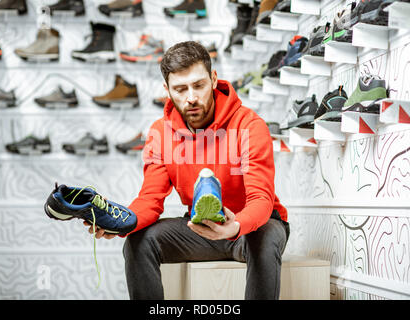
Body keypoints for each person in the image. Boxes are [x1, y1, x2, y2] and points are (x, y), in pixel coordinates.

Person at [84, 41, 290, 300]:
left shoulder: (250, 125)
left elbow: (261, 199)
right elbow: (150, 199)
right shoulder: (160, 132)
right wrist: (121, 223)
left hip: (249, 228)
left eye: (199, 85)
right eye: (180, 89)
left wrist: (236, 225)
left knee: (268, 234)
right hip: (200, 228)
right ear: (167, 90)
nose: (191, 97)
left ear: (214, 79)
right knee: (139, 241)